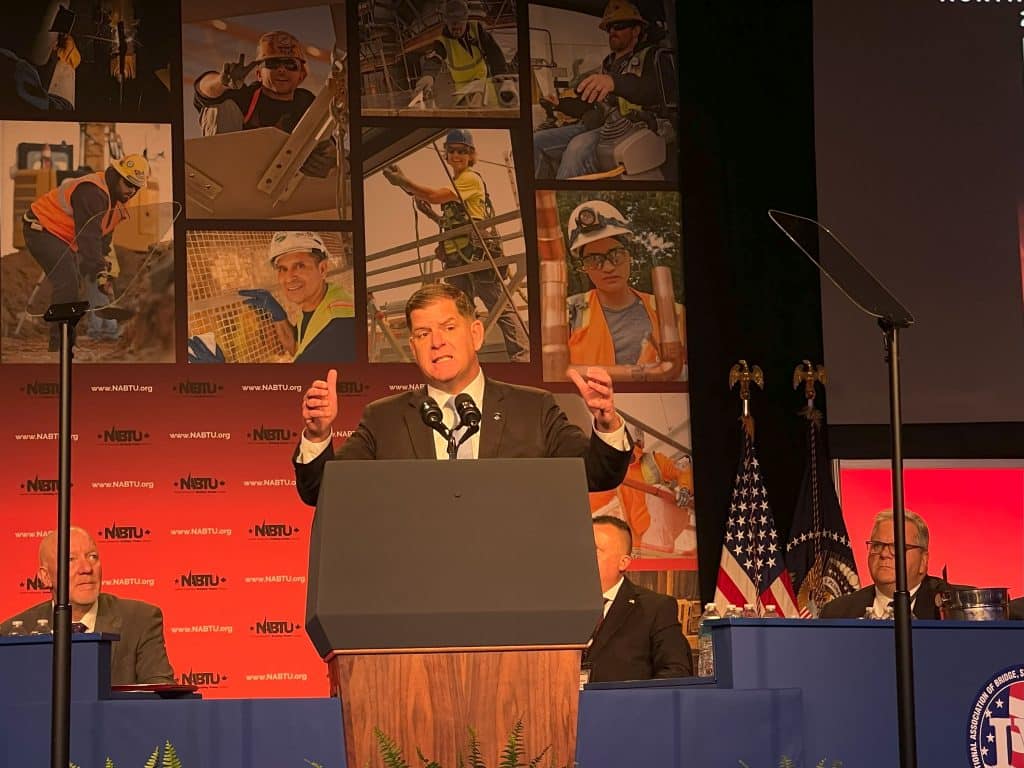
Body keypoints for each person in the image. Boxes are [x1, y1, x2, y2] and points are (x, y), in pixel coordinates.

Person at [294, 282, 632, 505]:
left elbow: (596, 475)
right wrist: (318, 434)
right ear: (413, 347)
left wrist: (607, 425)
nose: (436, 342)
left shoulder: (534, 408)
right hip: (418, 593)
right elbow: (323, 493)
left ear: (476, 334)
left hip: (513, 587)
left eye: (448, 328)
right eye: (423, 334)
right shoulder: (384, 417)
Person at [382, 129, 529, 362]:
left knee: (499, 306)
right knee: (463, 311)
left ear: (471, 155)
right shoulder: (457, 182)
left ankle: (522, 356)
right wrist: (430, 213)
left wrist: (405, 182)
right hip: (457, 257)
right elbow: (451, 220)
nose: (456, 155)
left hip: (476, 255)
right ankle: (469, 357)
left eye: (462, 151)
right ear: (447, 155)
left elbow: (437, 196)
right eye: (452, 151)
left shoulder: (469, 178)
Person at [0, 527, 175, 686]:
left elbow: (160, 694)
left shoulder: (139, 620)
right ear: (46, 577)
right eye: (70, 559)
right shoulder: (13, 632)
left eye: (93, 557)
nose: (86, 568)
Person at [22, 153, 147, 351]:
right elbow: (88, 237)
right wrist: (98, 269)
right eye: (128, 184)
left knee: (73, 283)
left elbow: (103, 237)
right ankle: (60, 345)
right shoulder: (93, 192)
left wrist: (103, 267)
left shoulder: (118, 203)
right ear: (116, 176)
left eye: (136, 187)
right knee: (67, 283)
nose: (131, 191)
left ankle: (65, 342)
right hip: (41, 227)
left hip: (63, 238)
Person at [533, 0, 666, 179]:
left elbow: (653, 89)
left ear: (636, 30)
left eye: (619, 26)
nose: (612, 31)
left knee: (577, 148)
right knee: (536, 141)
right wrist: (559, 104)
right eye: (609, 27)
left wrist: (614, 82)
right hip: (599, 125)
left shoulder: (653, 56)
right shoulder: (608, 64)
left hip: (632, 128)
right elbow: (589, 106)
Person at [565, 200, 685, 373]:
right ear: (584, 267)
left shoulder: (672, 313)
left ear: (630, 256)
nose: (608, 267)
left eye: (616, 255)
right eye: (594, 260)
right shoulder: (568, 313)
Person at [192, 30, 334, 176]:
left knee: (340, 156)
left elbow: (328, 144)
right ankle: (218, 175)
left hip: (284, 186)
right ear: (259, 74)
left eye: (290, 64)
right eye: (273, 63)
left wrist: (331, 161)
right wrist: (221, 81)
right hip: (235, 176)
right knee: (221, 105)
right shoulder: (244, 96)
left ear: (301, 75)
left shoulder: (307, 103)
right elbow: (204, 91)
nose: (281, 70)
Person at [583, 515, 692, 682]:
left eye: (593, 550)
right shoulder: (561, 608)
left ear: (623, 562)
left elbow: (676, 671)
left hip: (626, 706)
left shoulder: (655, 609)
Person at [237, 231, 355, 364]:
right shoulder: (321, 301)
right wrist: (280, 317)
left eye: (299, 266)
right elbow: (297, 347)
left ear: (322, 269)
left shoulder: (338, 325)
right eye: (282, 269)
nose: (288, 278)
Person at [819, 509, 947, 619]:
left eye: (896, 547)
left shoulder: (953, 606)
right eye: (877, 545)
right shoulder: (836, 612)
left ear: (923, 561)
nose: (884, 554)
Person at [589, 431, 695, 555]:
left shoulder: (654, 462)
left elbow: (684, 473)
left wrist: (685, 489)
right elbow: (595, 499)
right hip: (639, 541)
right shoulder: (615, 473)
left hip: (661, 529)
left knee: (658, 491)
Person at [413, 0, 509, 107]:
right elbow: (434, 59)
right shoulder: (442, 42)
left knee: (489, 107)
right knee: (468, 111)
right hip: (462, 87)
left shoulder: (477, 30)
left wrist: (500, 72)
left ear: (465, 20)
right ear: (447, 23)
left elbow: (493, 51)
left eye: (459, 27)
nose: (456, 31)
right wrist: (428, 76)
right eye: (453, 28)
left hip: (482, 80)